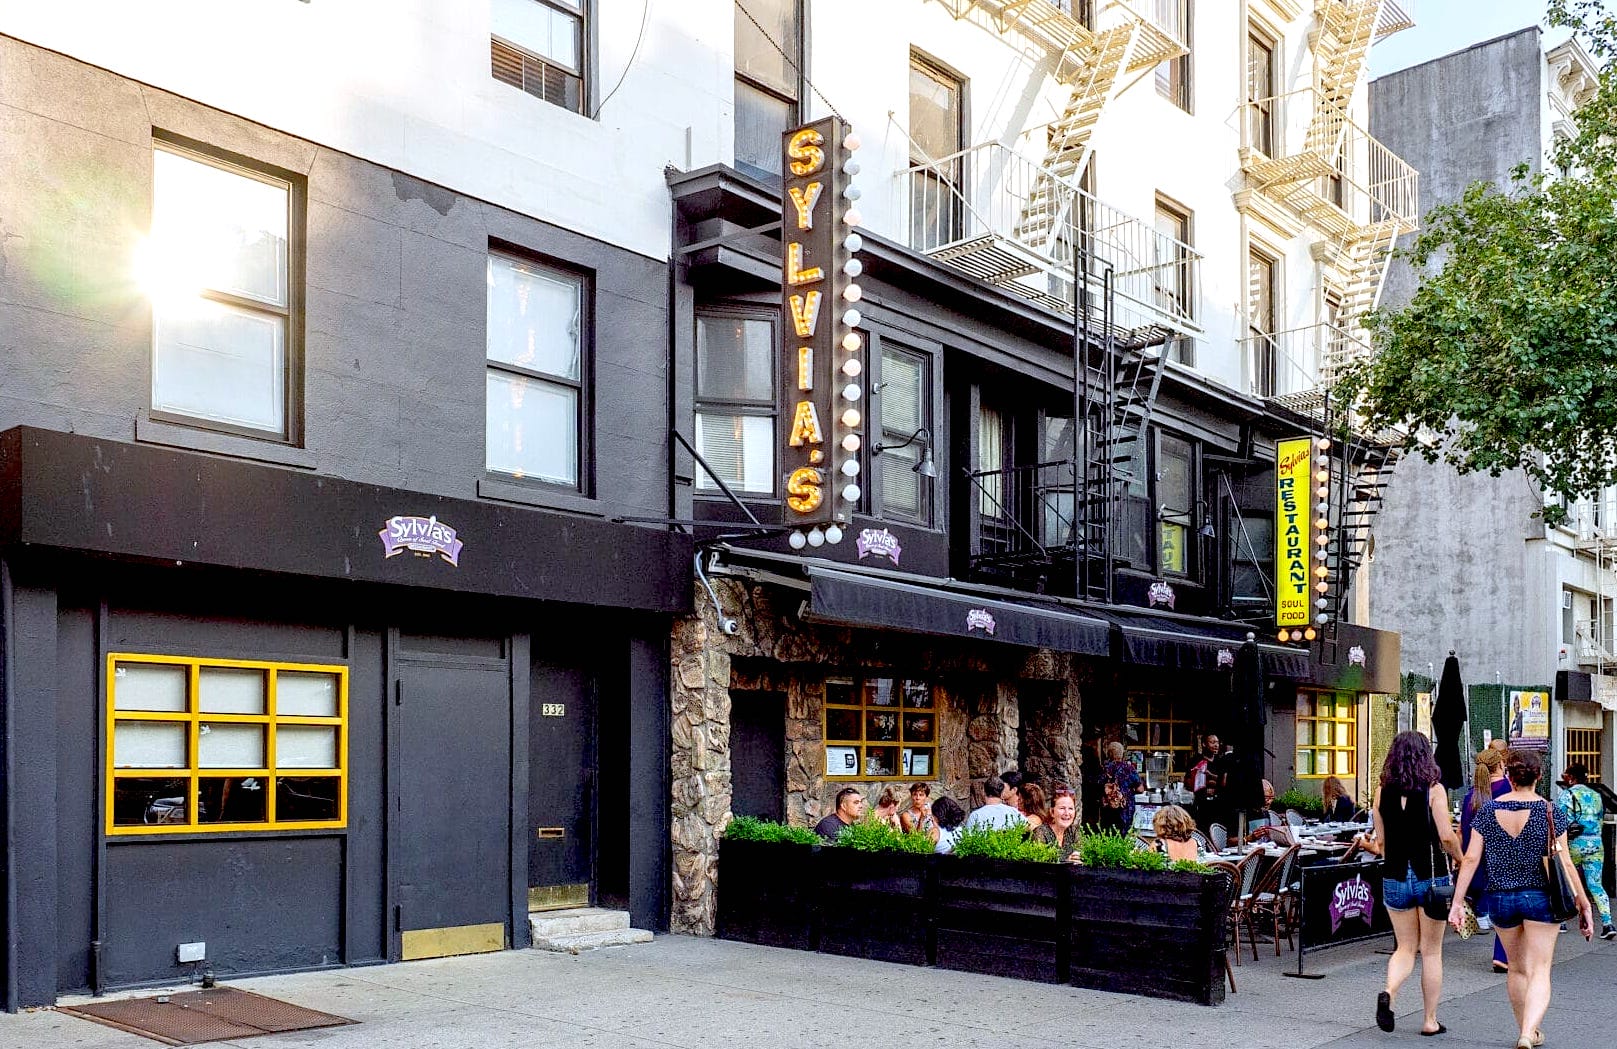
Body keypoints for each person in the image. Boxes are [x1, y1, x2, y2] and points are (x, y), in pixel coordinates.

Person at [1450, 749, 1595, 1049]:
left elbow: (1470, 858)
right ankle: (1528, 1032)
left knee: (1515, 968)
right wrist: (1583, 903)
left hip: (1501, 898)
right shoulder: (1551, 811)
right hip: (1541, 897)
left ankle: (1526, 1030)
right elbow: (1565, 863)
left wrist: (1457, 902)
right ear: (1539, 777)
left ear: (1510, 776)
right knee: (1540, 969)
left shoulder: (1488, 811)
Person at [1354, 731, 1462, 1037]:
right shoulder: (1434, 790)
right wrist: (1460, 857)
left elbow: (1382, 843)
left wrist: (1367, 845)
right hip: (1431, 877)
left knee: (1404, 948)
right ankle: (1430, 1020)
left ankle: (1389, 991)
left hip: (1395, 876)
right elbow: (1446, 835)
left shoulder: (1381, 793)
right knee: (1431, 952)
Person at [1462, 746, 1512, 973]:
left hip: (1477, 857)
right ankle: (1504, 953)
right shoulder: (1508, 790)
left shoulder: (1471, 796)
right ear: (1501, 765)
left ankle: (1483, 916)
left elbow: (1463, 831)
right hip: (1504, 857)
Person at [1556, 763, 1615, 940]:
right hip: (1596, 843)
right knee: (1595, 884)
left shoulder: (1567, 795)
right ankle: (1607, 923)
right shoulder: (1597, 795)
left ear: (1571, 778)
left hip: (1574, 844)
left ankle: (1563, 920)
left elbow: (1560, 821)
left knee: (1568, 880)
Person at [1098, 742, 1141, 834]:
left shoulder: (1104, 769)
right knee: (1124, 835)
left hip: (1108, 809)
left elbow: (1099, 785)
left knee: (1108, 834)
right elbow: (1140, 789)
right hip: (1125, 808)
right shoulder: (1129, 768)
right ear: (1122, 754)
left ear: (1109, 754)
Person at [963, 774, 1027, 831]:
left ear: (983, 792)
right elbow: (1027, 828)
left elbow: (967, 840)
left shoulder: (976, 816)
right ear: (1002, 793)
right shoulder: (1014, 812)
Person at [1034, 785, 1082, 860]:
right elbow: (1040, 865)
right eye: (1062, 808)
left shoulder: (1074, 831)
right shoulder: (1041, 832)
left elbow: (1082, 854)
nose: (1067, 813)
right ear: (1052, 812)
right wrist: (1067, 862)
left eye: (1070, 808)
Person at [1187, 732, 1222, 828]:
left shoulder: (1221, 761)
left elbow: (1225, 782)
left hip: (1218, 805)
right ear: (1204, 744)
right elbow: (1189, 783)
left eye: (1217, 743)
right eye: (1212, 742)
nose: (1216, 745)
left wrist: (1213, 778)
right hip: (1200, 804)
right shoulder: (1195, 761)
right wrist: (1207, 783)